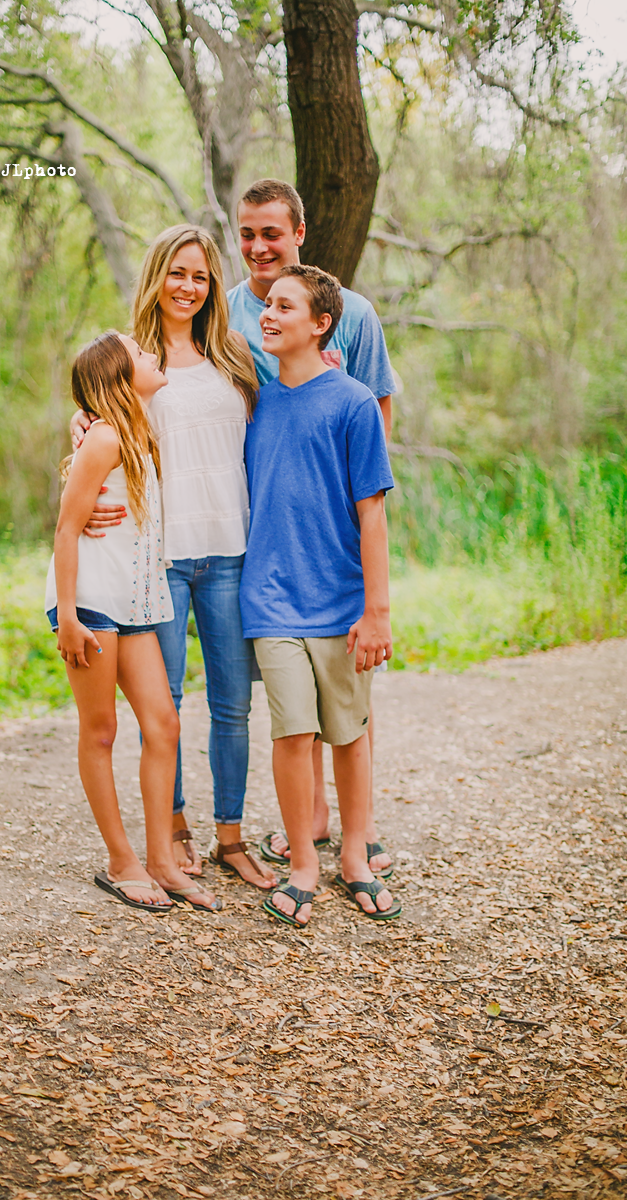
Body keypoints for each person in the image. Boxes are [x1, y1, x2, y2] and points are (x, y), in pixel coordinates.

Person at [70, 228, 277, 891]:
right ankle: (175, 832)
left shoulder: (235, 356)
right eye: (177, 273)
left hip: (230, 549)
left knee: (233, 705)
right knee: (166, 707)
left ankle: (231, 836)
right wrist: (71, 446)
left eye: (201, 276)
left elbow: (276, 424)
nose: (188, 286)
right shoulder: (134, 360)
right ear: (156, 277)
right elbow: (95, 439)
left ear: (212, 285)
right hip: (158, 559)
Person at [228, 179, 397, 881]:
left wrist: (373, 589)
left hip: (334, 561)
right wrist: (91, 417)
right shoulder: (230, 319)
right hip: (266, 568)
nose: (259, 247)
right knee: (291, 722)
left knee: (345, 714)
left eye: (272, 233)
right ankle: (311, 836)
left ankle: (354, 842)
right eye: (247, 234)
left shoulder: (353, 319)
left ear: (298, 232)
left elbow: (373, 424)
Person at [47, 331, 221, 913]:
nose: (153, 356)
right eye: (141, 354)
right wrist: (67, 617)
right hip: (92, 602)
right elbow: (67, 529)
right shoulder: (104, 439)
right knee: (101, 730)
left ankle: (163, 862)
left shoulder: (137, 430)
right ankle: (122, 862)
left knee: (163, 723)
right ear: (122, 376)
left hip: (137, 601)